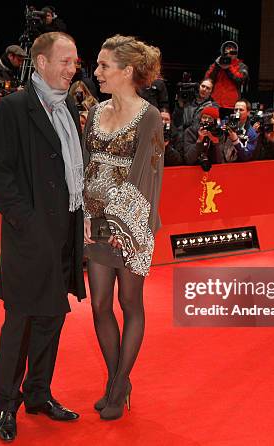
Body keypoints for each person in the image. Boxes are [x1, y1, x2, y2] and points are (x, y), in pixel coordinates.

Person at [0, 31, 86, 442]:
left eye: (75, 62)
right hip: (30, 237)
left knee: (52, 319)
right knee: (20, 323)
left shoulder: (68, 109)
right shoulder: (14, 108)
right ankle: (6, 404)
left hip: (65, 233)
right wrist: (28, 222)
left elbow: (69, 174)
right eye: (65, 61)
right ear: (40, 63)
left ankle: (38, 394)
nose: (72, 69)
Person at [83, 34, 164, 421]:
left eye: (104, 66)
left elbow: (149, 177)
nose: (96, 72)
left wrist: (124, 224)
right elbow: (83, 167)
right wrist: (85, 216)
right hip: (94, 223)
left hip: (132, 222)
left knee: (130, 304)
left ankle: (116, 386)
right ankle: (120, 381)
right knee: (99, 304)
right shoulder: (94, 113)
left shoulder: (149, 117)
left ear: (127, 70)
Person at [205, 41, 248, 117]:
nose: (229, 54)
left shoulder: (241, 66)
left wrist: (228, 67)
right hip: (215, 104)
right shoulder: (216, 65)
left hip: (232, 106)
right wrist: (217, 65)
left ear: (236, 53)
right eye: (227, 51)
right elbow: (208, 80)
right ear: (222, 53)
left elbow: (240, 81)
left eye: (232, 52)